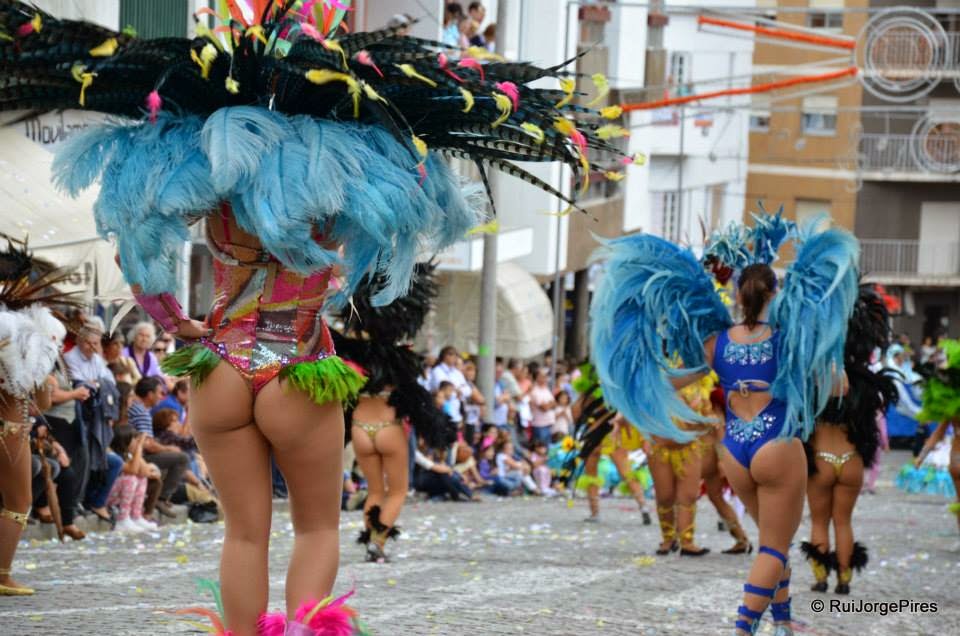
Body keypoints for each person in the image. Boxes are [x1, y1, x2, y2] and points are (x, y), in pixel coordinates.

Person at [8, 2, 627, 631]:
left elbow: (137, 251)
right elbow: (397, 233)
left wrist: (173, 320)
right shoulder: (331, 182)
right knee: (316, 525)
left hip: (218, 366)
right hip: (297, 368)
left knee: (243, 536)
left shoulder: (212, 182)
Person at [590, 213, 858, 635]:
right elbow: (838, 387)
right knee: (773, 545)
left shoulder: (718, 342)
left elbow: (674, 379)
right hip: (776, 445)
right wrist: (826, 359)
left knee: (775, 542)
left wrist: (636, 374)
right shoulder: (787, 339)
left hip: (735, 451)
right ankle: (742, 627)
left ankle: (784, 624)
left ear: (737, 295)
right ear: (775, 293)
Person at [803, 286, 896, 595]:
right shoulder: (867, 384)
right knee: (843, 521)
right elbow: (870, 426)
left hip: (820, 459)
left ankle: (820, 579)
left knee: (819, 521)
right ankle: (844, 582)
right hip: (852, 460)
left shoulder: (814, 378)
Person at [0, 241, 67, 594]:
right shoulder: (28, 333)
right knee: (17, 502)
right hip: (9, 427)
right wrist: (49, 378)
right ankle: (1, 575)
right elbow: (42, 397)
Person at [648, 379, 712, 557]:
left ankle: (687, 541)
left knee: (688, 496)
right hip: (660, 449)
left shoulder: (699, 389)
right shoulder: (656, 385)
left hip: (689, 448)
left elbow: (708, 423)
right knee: (665, 496)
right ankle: (668, 539)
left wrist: (693, 414)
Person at [128, 378, 190, 518]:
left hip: (137, 454)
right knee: (181, 458)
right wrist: (168, 449)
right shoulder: (141, 412)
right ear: (149, 394)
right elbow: (148, 445)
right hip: (139, 456)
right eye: (159, 393)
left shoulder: (139, 409)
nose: (162, 396)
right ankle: (162, 498)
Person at [107, 425, 158, 533]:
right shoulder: (113, 455)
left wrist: (136, 450)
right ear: (124, 441)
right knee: (130, 479)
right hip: (108, 497)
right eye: (134, 439)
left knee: (141, 479)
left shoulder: (128, 455)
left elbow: (144, 473)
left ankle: (135, 516)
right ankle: (122, 520)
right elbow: (133, 470)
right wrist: (138, 448)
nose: (137, 442)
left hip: (118, 496)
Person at [529, 368, 557, 446]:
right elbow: (544, 408)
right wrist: (549, 404)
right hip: (540, 426)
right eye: (542, 376)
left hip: (548, 424)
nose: (545, 378)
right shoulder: (534, 391)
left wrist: (549, 404)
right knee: (541, 449)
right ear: (537, 378)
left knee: (547, 449)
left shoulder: (546, 389)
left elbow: (555, 404)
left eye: (545, 376)